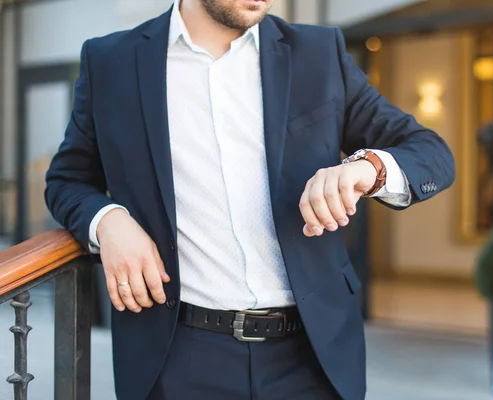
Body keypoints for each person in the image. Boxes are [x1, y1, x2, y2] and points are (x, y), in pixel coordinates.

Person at [44, 1, 454, 399]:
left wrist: (367, 168)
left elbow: (430, 152)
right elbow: (67, 179)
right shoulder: (111, 61)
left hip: (314, 358)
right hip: (177, 356)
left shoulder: (319, 53)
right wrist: (108, 221)